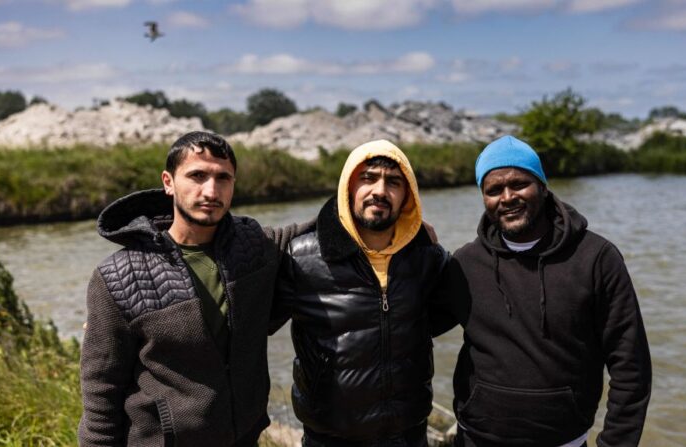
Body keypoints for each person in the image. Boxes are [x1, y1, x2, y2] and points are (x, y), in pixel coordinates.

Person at [79, 131, 299, 446]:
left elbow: (326, 229)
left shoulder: (255, 247)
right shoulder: (117, 276)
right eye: (197, 175)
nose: (211, 190)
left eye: (223, 178)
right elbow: (101, 394)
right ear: (168, 182)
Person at [434, 135, 652, 447]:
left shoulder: (597, 258)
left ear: (543, 186)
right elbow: (413, 324)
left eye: (519, 184)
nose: (507, 197)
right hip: (474, 439)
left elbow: (631, 367)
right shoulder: (465, 263)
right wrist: (412, 245)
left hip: (565, 441)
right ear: (483, 197)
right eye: (494, 189)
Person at [271, 140, 449, 446]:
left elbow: (449, 315)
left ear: (408, 196)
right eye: (368, 178)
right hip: (329, 439)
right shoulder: (299, 258)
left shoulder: (427, 257)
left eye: (393, 182)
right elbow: (250, 328)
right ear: (347, 188)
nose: (380, 190)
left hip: (408, 437)